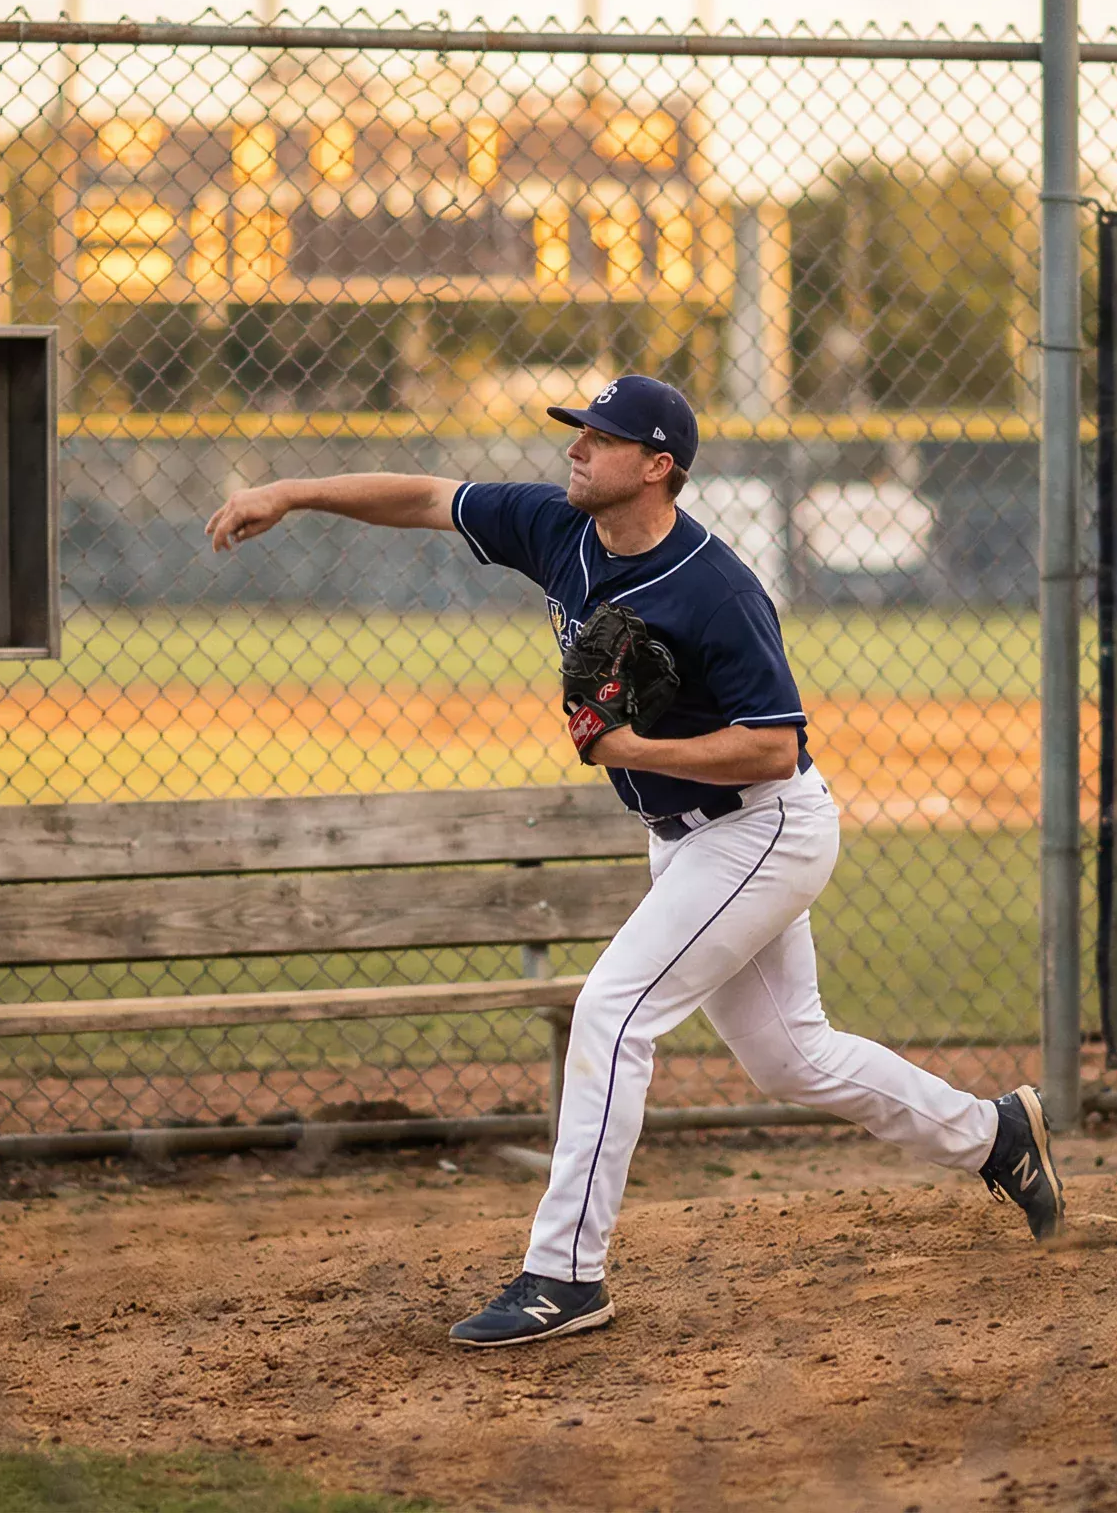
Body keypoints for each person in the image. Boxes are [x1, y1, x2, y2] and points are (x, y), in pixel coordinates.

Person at [205, 373, 1067, 1348]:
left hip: (762, 826)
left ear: (657, 467)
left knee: (613, 1012)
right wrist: (292, 491)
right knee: (791, 1056)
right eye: (577, 432)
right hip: (688, 839)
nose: (575, 449)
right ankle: (993, 1135)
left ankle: (564, 1275)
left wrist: (631, 750)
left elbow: (775, 746)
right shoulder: (558, 528)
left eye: (600, 437)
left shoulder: (717, 588)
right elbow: (426, 496)